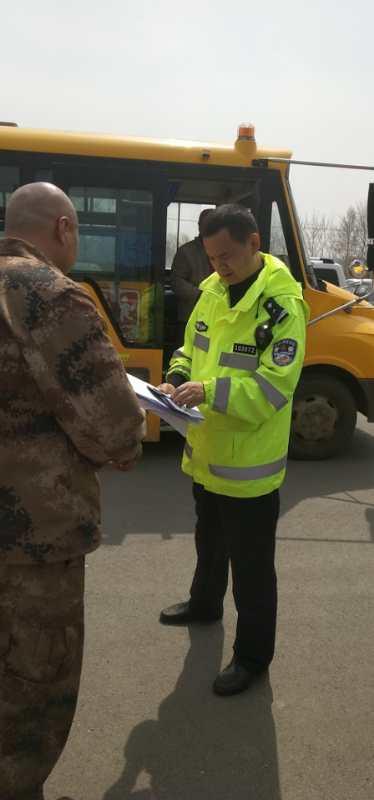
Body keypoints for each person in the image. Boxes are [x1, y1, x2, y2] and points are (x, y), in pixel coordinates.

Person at [0, 183, 146, 800]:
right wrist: (125, 446)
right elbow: (114, 425)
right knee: (32, 691)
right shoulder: (51, 296)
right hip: (32, 540)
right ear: (64, 227)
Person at [158, 204, 308, 696]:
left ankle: (252, 658)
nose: (219, 266)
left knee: (252, 572)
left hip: (249, 469)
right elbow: (190, 348)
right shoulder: (213, 292)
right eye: (212, 257)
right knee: (210, 545)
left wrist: (207, 390)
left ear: (254, 242)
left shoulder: (281, 307)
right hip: (207, 454)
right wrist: (179, 375)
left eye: (227, 256)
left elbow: (272, 389)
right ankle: (204, 605)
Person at [170, 208, 213, 342]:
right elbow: (176, 281)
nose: (210, 229)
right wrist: (200, 295)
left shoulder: (226, 251)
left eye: (214, 225)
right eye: (206, 225)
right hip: (190, 317)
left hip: (217, 318)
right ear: (199, 226)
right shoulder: (186, 252)